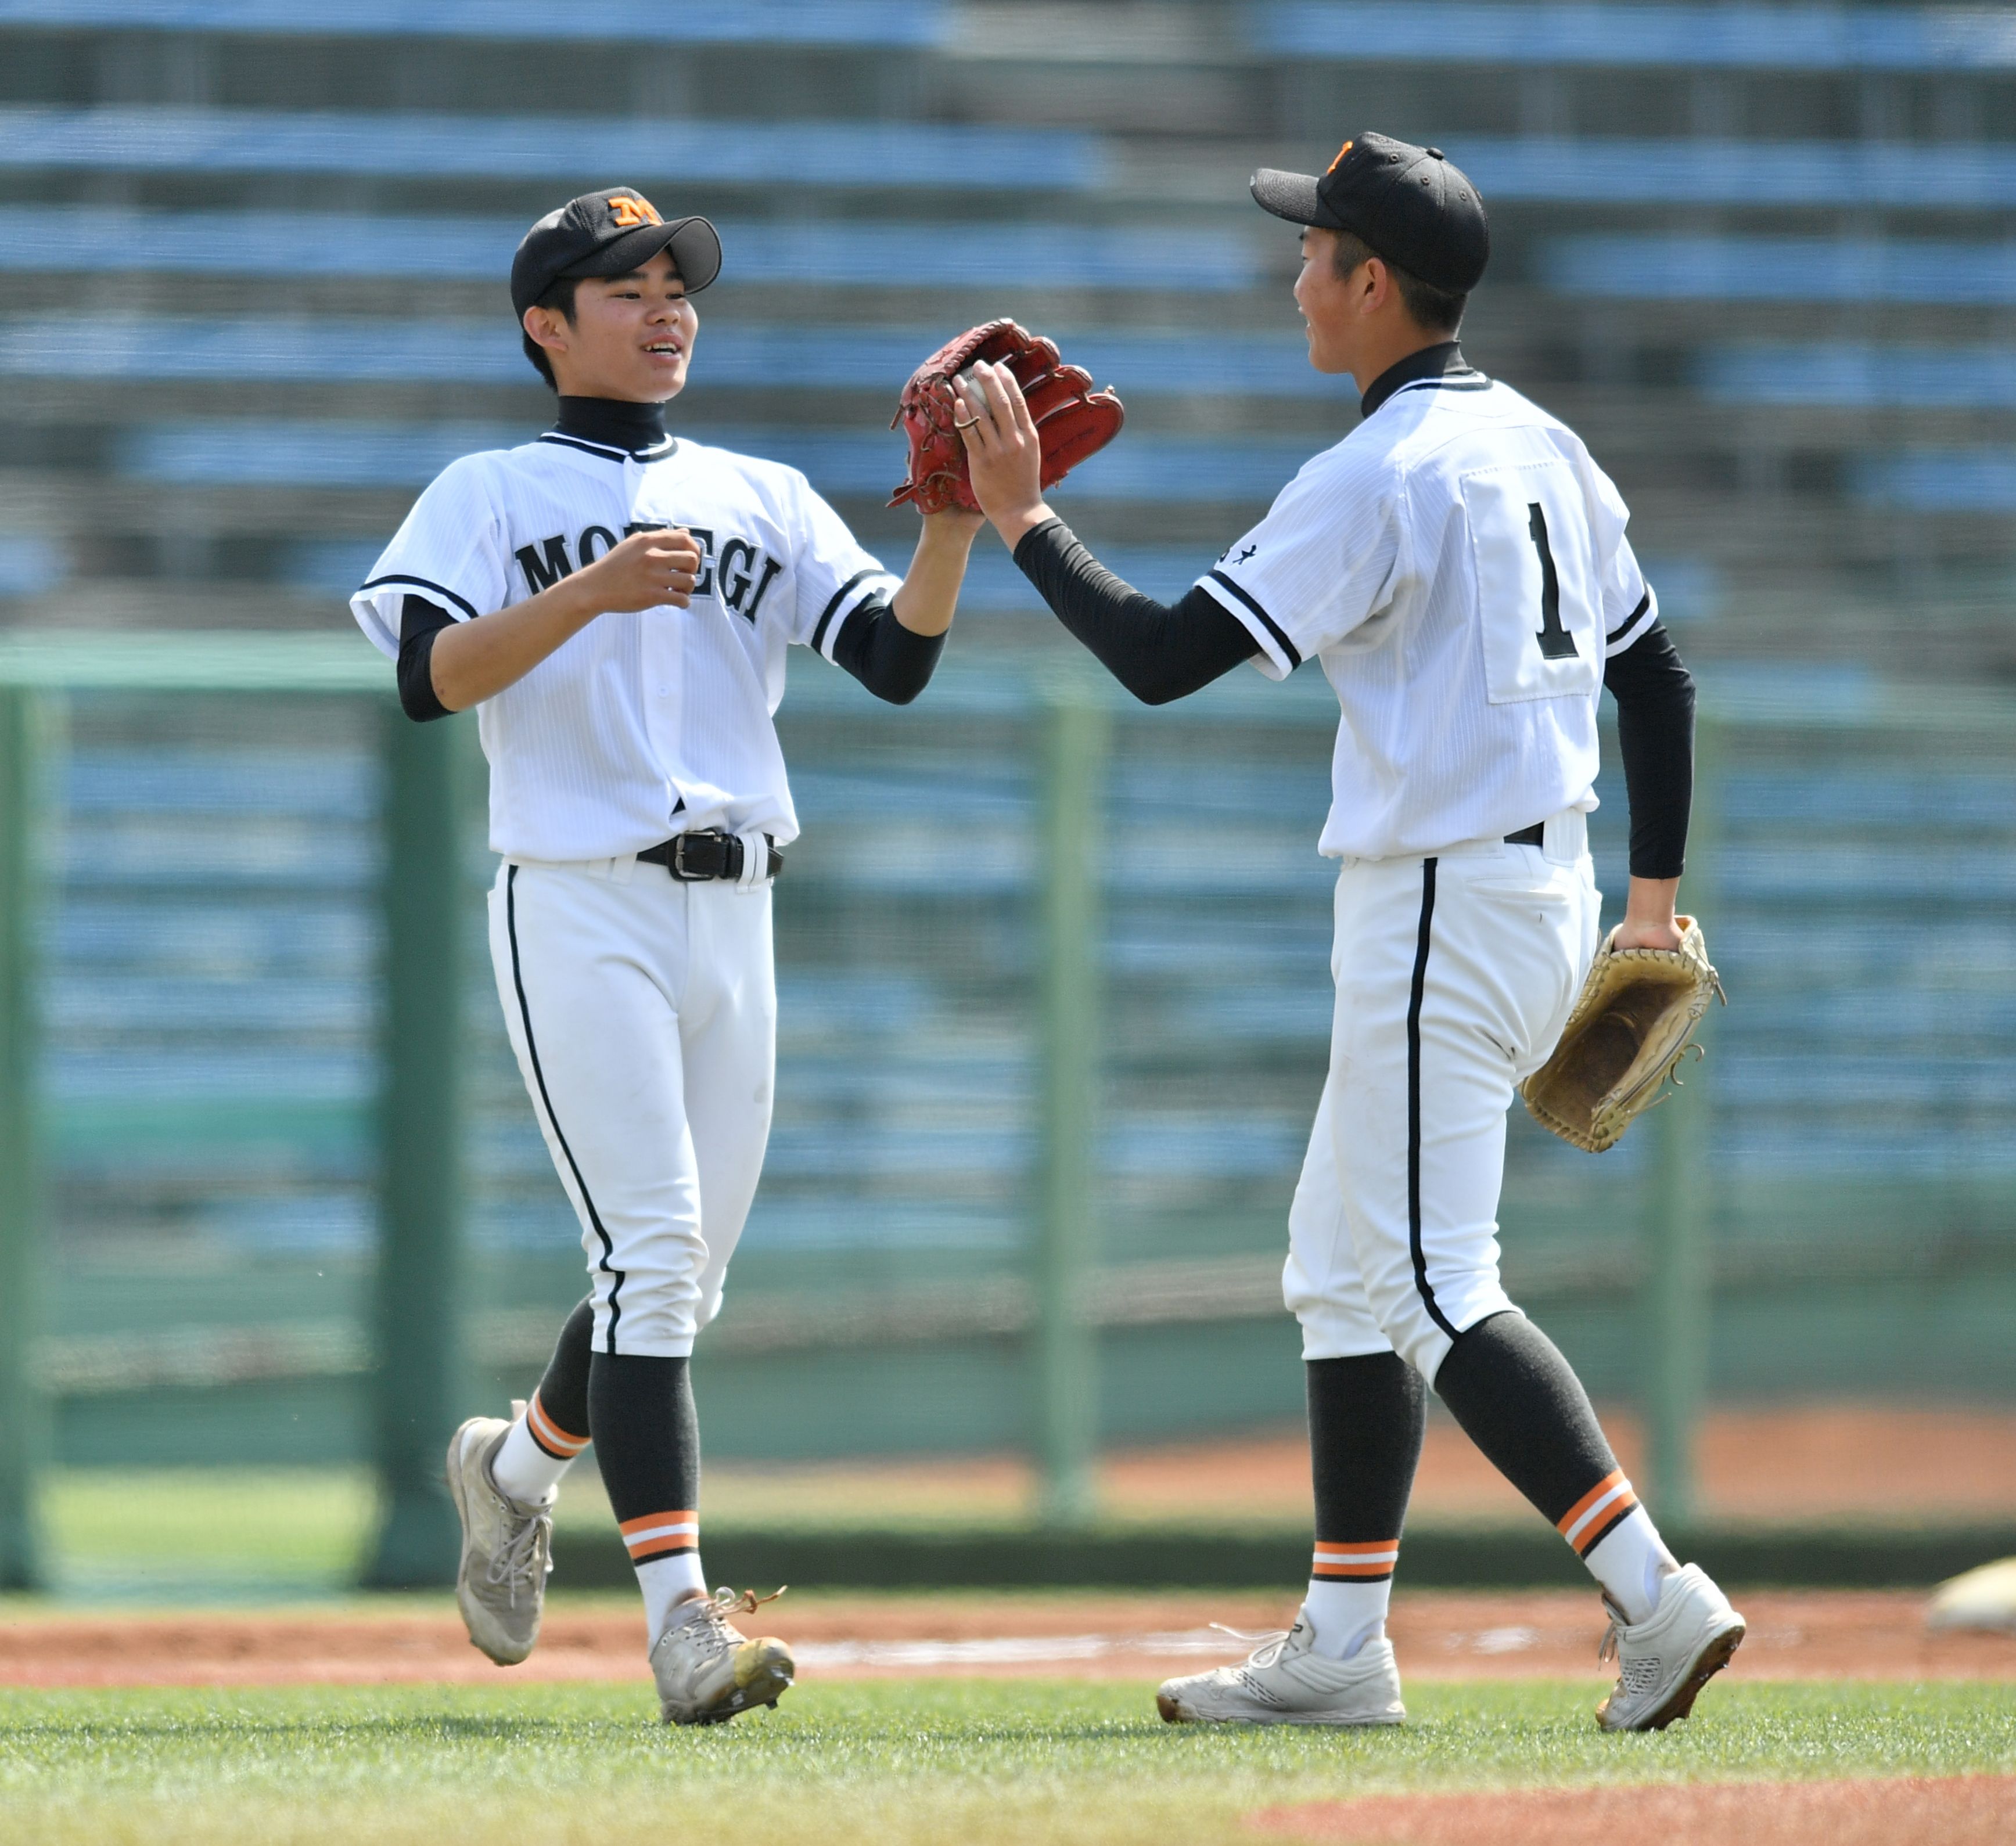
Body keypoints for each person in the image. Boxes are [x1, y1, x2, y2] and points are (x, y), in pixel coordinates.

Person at [948, 134, 1742, 1732]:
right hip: (1548, 887)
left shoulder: (1377, 473)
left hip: (1442, 899)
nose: (1296, 273)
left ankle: (1658, 1597)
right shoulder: (1545, 445)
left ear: (1375, 283)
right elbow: (1656, 677)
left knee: (1436, 1282)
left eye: (1314, 252)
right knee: (1338, 1266)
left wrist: (1024, 521)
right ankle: (1341, 1643)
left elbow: (1169, 656)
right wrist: (1651, 897)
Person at [348, 188, 983, 1724]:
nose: (664, 305)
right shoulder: (488, 489)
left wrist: (956, 522)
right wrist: (587, 588)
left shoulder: (758, 488)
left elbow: (893, 659)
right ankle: (683, 1624)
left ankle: (512, 1470)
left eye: (675, 282)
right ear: (544, 326)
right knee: (648, 1253)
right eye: (622, 285)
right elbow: (429, 674)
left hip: (736, 898)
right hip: (578, 894)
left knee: (671, 1274)